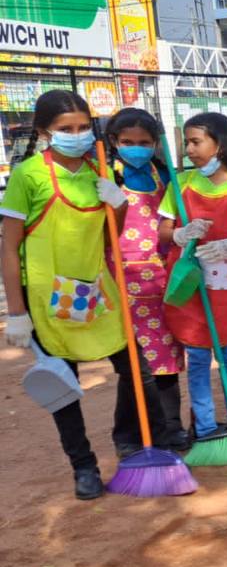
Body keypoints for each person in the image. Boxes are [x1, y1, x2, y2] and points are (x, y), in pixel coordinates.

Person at [1, 90, 165, 499]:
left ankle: (130, 439)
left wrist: (119, 201)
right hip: (45, 296)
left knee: (137, 370)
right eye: (64, 129)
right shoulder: (29, 176)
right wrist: (16, 311)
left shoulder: (99, 168)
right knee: (63, 385)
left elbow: (114, 230)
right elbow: (8, 245)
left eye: (81, 127)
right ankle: (84, 467)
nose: (75, 135)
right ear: (44, 132)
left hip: (95, 291)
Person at [159, 113, 227, 444]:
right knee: (198, 358)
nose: (189, 149)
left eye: (196, 141)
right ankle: (205, 426)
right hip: (190, 283)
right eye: (187, 142)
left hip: (224, 284)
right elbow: (163, 231)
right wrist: (179, 234)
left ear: (219, 144)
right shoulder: (180, 185)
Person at [105, 108, 189, 450]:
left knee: (167, 358)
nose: (136, 148)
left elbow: (177, 218)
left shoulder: (164, 175)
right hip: (121, 280)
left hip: (162, 278)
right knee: (136, 365)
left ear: (156, 144)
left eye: (144, 142)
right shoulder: (107, 176)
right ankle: (128, 435)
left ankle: (170, 427)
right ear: (114, 142)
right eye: (127, 142)